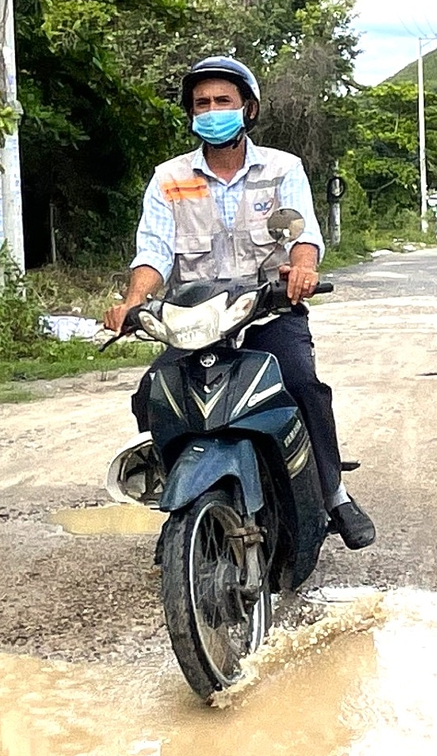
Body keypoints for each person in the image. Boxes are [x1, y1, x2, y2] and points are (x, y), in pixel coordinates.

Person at [103, 55, 376, 550]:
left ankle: (334, 493)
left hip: (268, 310)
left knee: (300, 383)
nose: (211, 110)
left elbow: (301, 234)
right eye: (201, 103)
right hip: (196, 319)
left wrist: (304, 268)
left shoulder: (281, 168)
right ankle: (180, 502)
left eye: (222, 101)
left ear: (247, 109)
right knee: (153, 395)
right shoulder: (169, 178)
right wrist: (132, 303)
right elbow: (154, 252)